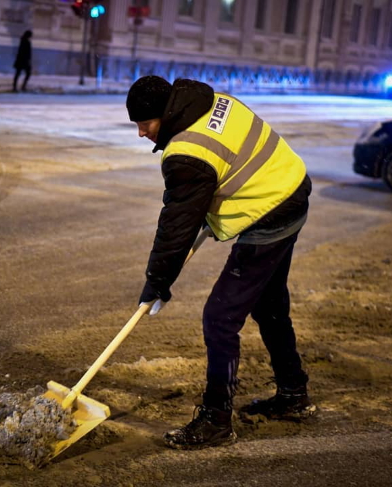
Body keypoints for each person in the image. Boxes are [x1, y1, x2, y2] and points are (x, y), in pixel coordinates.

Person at [126, 75, 316, 450]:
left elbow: (178, 225)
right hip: (292, 188)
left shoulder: (185, 154)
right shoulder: (213, 100)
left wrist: (158, 279)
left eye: (144, 124)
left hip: (269, 215)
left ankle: (215, 420)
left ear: (164, 115)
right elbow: (232, 161)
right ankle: (294, 393)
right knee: (269, 304)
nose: (141, 133)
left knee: (220, 318)